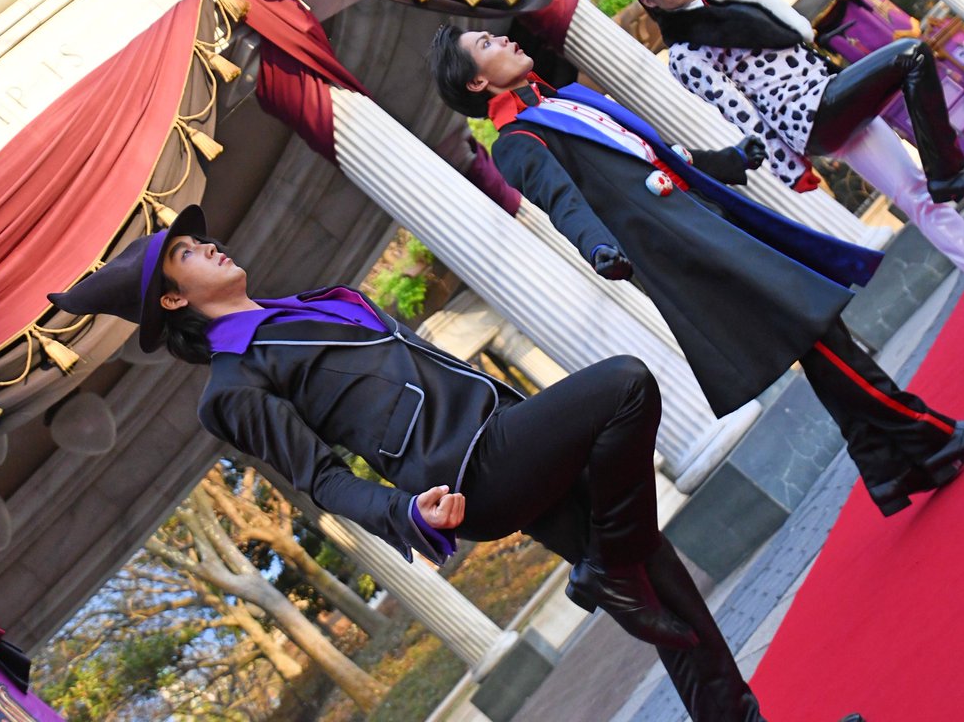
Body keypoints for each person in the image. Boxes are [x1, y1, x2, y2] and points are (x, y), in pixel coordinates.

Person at [48, 206, 786, 720]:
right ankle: (608, 565)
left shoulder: (306, 305)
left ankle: (684, 652)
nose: (210, 247)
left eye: (199, 239)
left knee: (664, 593)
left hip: (502, 428)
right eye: (187, 253)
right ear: (172, 299)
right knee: (626, 383)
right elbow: (321, 480)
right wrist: (403, 512)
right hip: (469, 474)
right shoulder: (231, 387)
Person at [428, 23, 964, 520]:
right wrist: (598, 249)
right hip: (684, 256)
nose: (503, 39)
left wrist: (726, 163)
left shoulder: (563, 99)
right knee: (814, 332)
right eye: (486, 44)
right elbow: (566, 205)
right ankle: (928, 435)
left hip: (710, 226)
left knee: (814, 335)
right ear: (477, 82)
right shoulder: (517, 142)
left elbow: (654, 156)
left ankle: (888, 465)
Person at [626, 0, 964, 311]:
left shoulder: (726, 0)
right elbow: (738, 111)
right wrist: (787, 166)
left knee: (916, 195)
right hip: (807, 115)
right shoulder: (683, 54)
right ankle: (948, 171)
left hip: (830, 92)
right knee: (911, 55)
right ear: (649, 1)